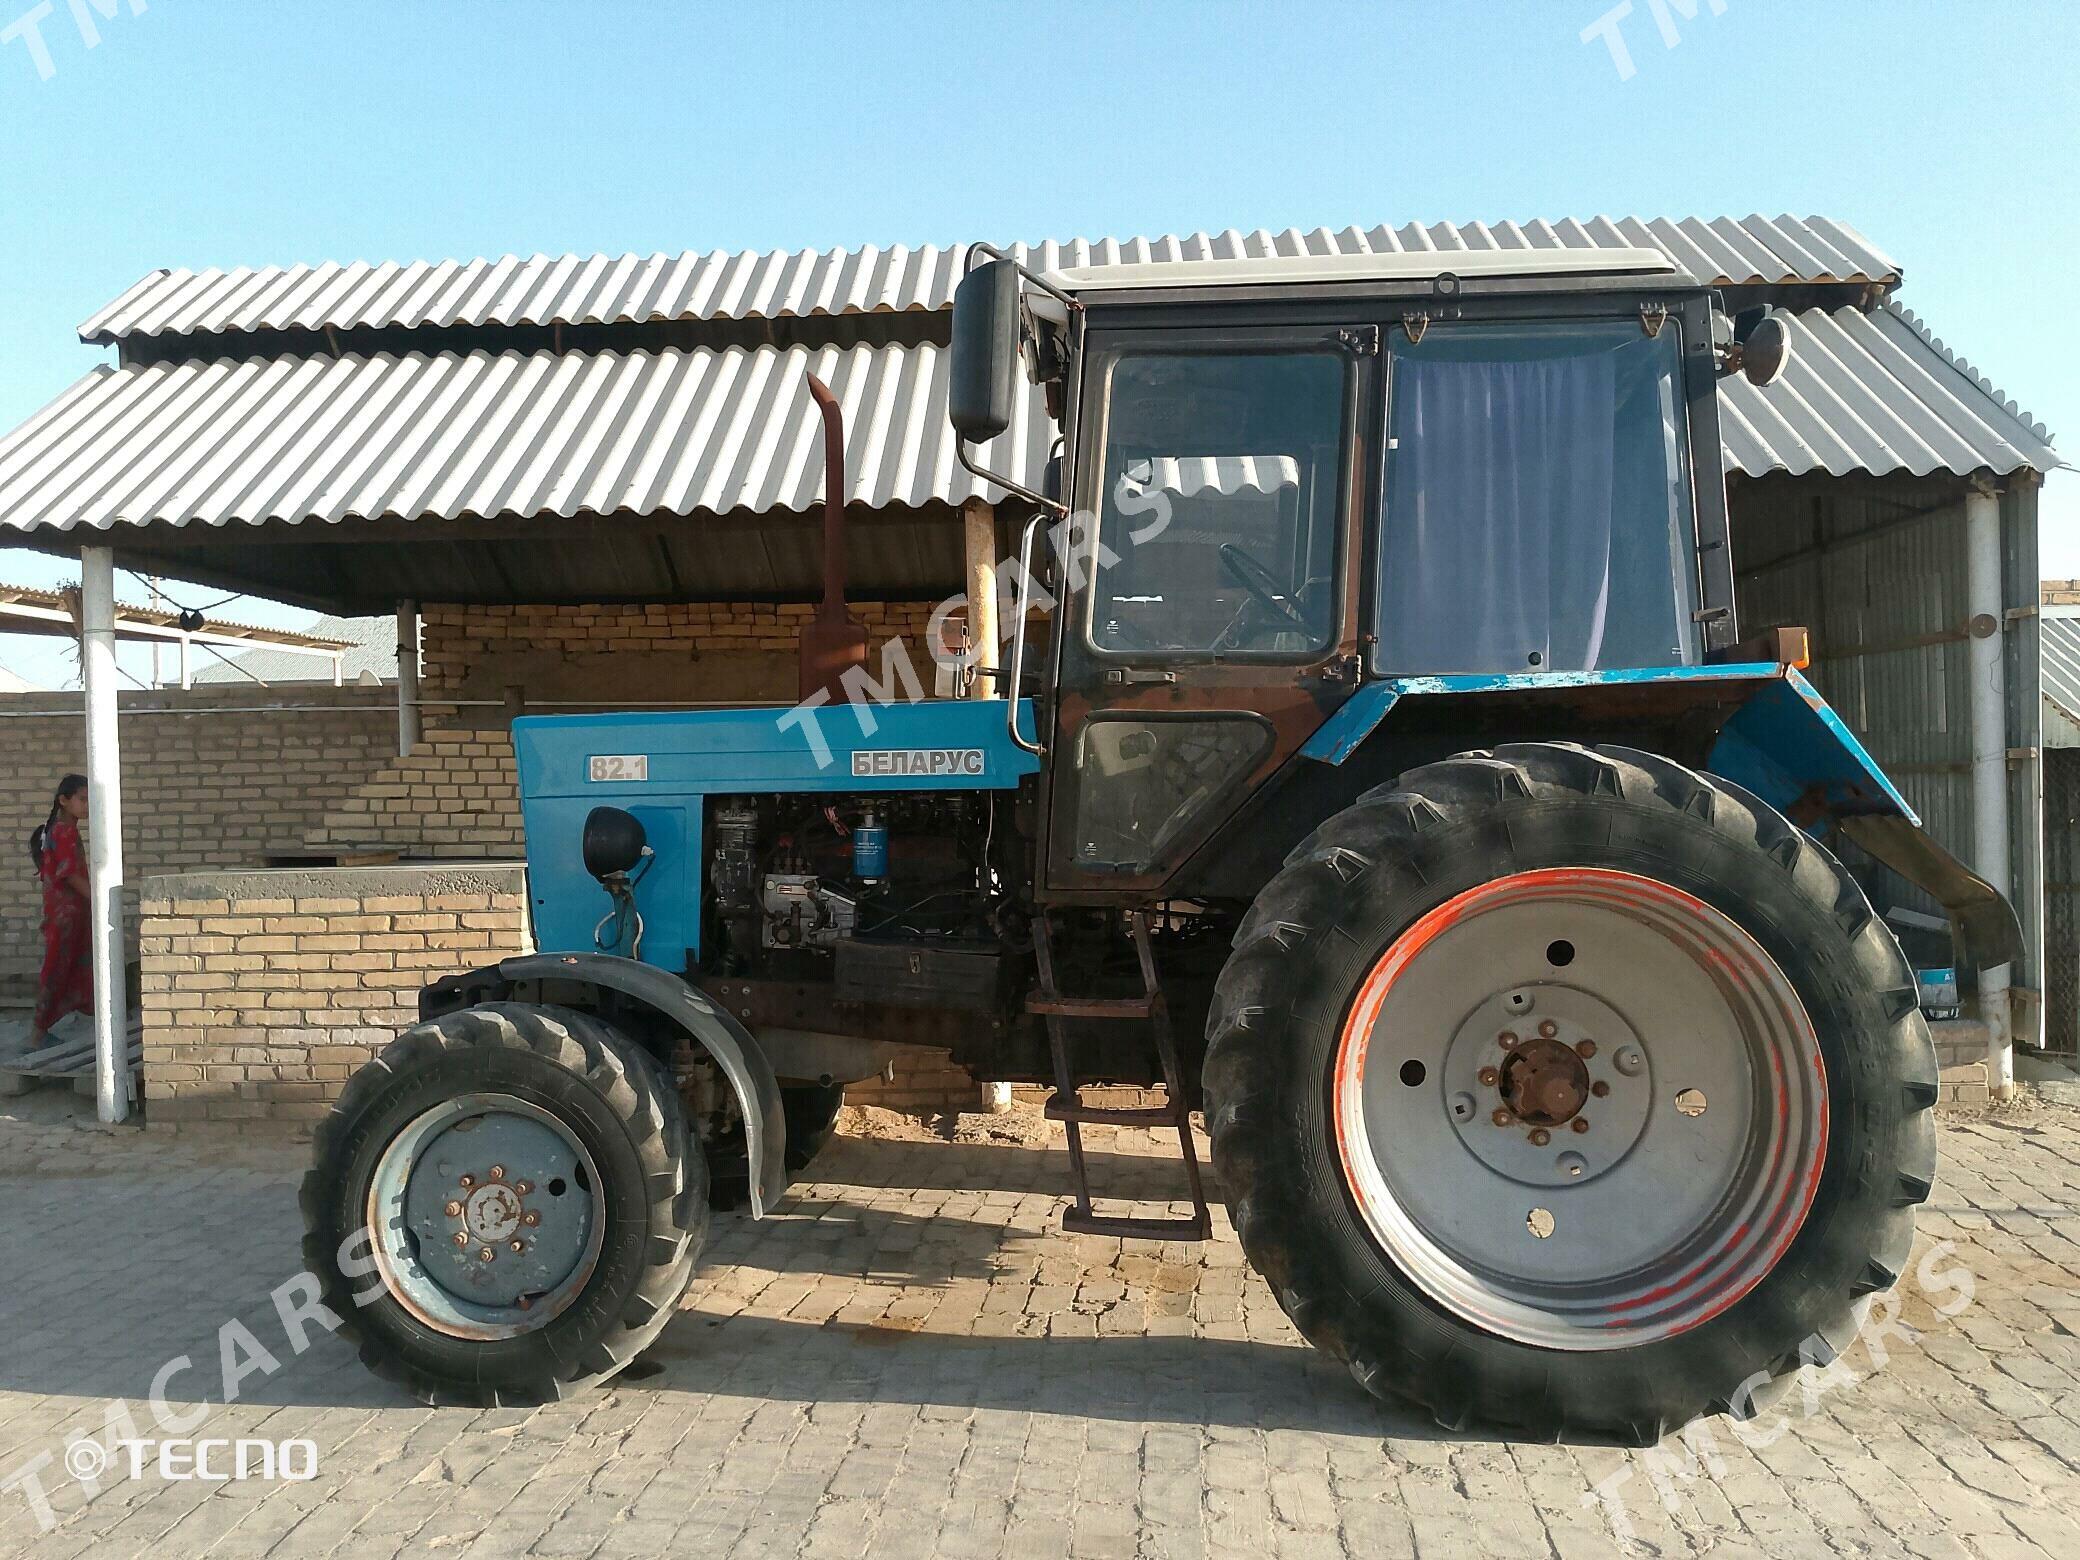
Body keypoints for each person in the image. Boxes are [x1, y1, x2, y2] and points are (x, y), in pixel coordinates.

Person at [28, 774, 91, 1047]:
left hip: (66, 914)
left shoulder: (59, 829)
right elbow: (69, 874)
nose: (87, 805)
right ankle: (37, 1034)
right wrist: (99, 899)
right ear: (64, 801)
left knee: (72, 968)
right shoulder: (64, 831)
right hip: (67, 915)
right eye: (83, 799)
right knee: (57, 970)